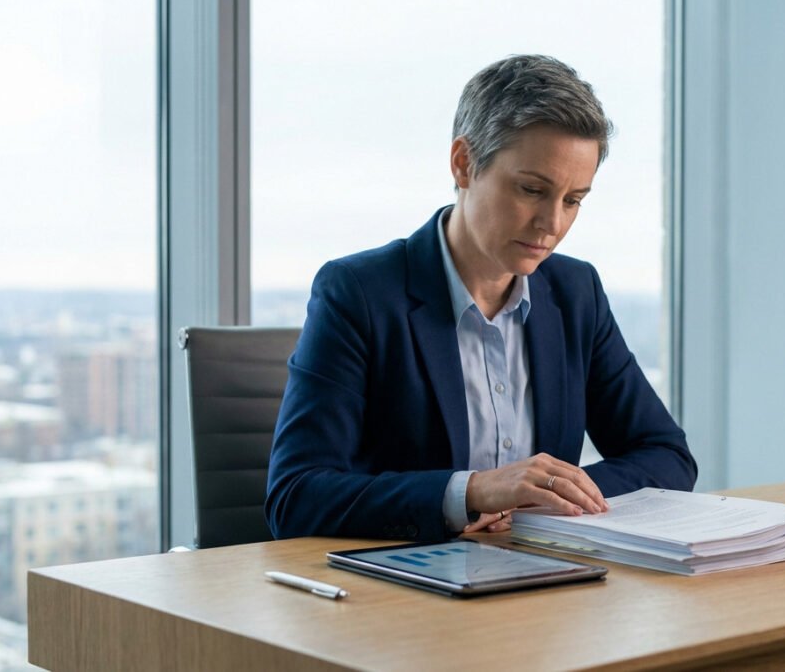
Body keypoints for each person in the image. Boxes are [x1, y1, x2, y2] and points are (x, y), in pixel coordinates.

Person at [265, 54, 697, 542]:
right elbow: (296, 497)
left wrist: (552, 495)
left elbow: (667, 456)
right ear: (464, 163)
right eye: (532, 189)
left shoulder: (576, 294)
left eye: (573, 200)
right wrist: (472, 491)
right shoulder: (358, 293)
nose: (552, 224)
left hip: (544, 582)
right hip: (403, 594)